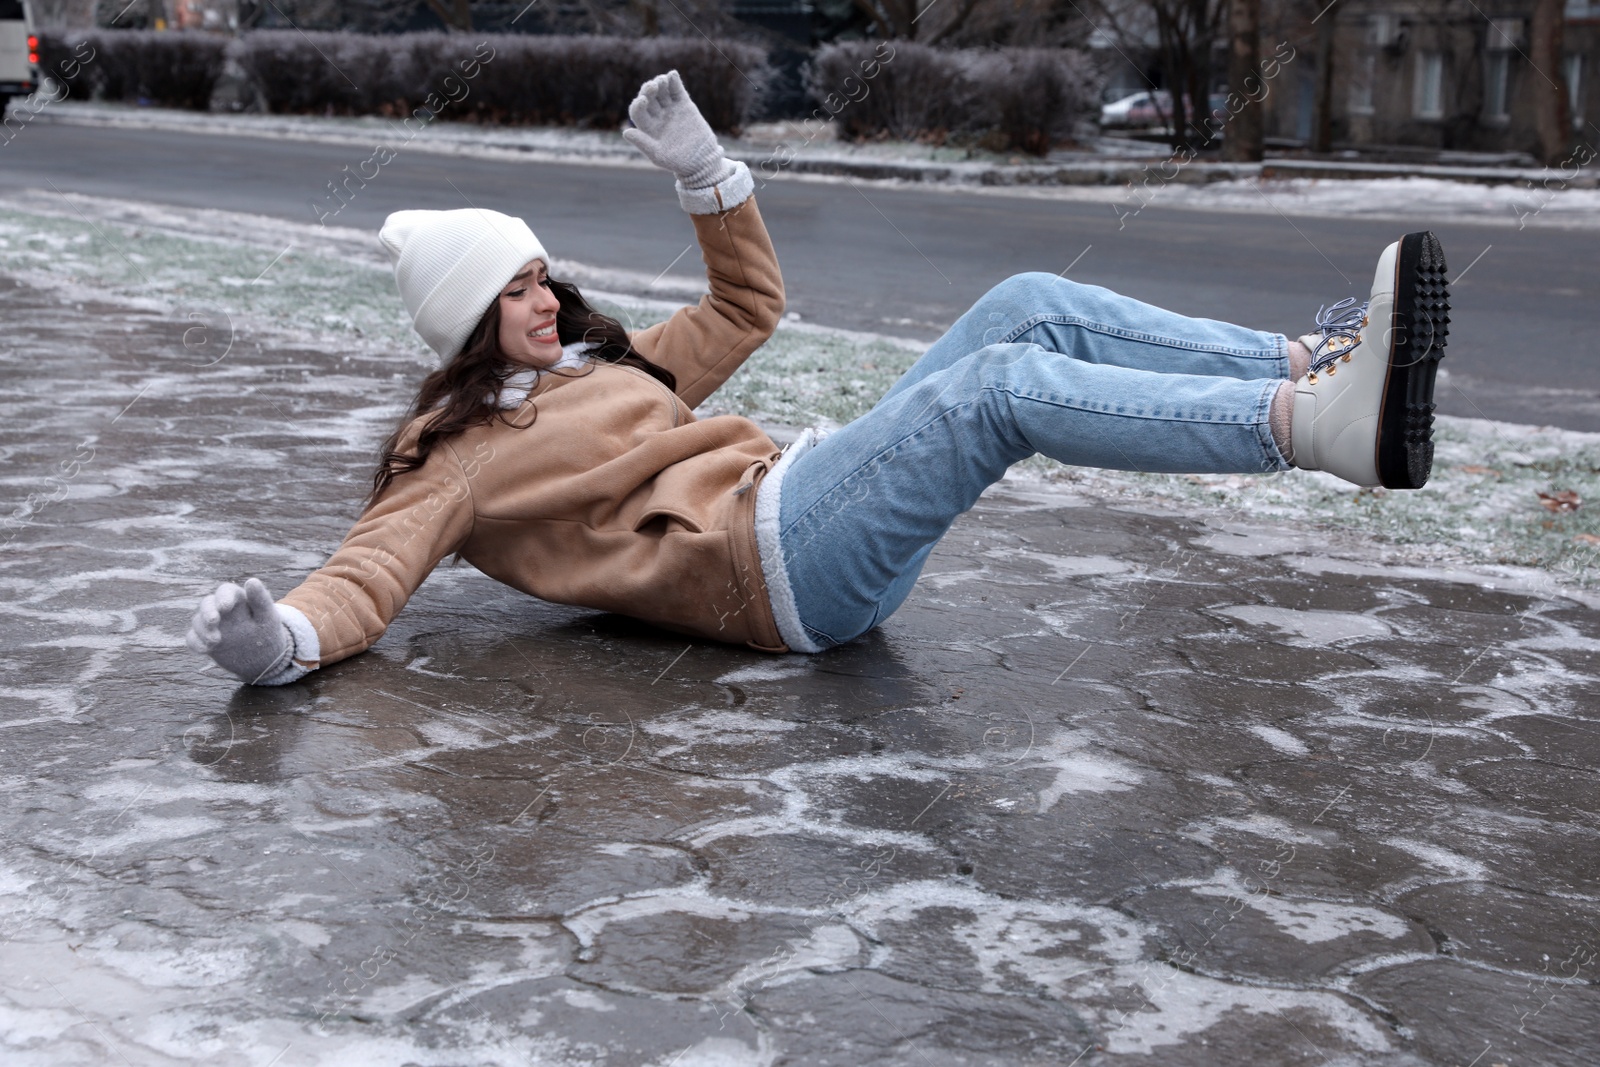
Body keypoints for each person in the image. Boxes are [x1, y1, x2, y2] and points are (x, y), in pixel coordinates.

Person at [185, 70, 1450, 685]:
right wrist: (280, 637)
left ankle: (1319, 363)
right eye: (513, 289)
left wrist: (707, 177)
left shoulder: (601, 366)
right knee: (995, 385)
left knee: (1024, 302)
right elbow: (370, 572)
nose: (542, 298)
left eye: (540, 277)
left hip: (801, 500)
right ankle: (1312, 430)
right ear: (465, 325)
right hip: (769, 563)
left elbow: (749, 304)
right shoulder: (458, 458)